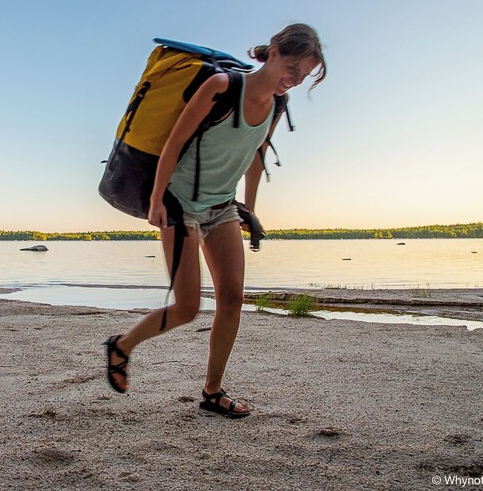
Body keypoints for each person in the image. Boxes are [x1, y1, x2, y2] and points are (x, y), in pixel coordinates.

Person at [104, 24, 326, 418]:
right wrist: (157, 199)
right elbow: (173, 143)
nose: (293, 80)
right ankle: (122, 346)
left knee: (232, 299)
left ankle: (212, 391)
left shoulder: (278, 104)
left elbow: (256, 157)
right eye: (291, 67)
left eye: (303, 75)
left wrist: (250, 209)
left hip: (222, 206)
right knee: (188, 307)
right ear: (272, 52)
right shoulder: (221, 87)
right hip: (179, 203)